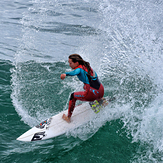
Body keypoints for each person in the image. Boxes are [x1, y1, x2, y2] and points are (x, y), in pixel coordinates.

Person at [60, 54, 104, 123]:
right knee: (86, 86)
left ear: (76, 63)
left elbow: (75, 72)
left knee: (73, 96)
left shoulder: (79, 69)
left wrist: (65, 74)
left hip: (92, 95)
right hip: (101, 91)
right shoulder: (87, 66)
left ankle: (68, 118)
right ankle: (101, 101)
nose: (69, 65)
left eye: (70, 63)